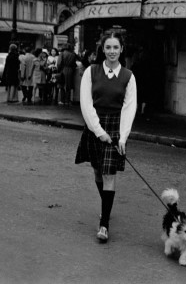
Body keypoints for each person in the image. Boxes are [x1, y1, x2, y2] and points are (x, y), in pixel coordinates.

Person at [75, 31, 137, 243]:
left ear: (121, 50)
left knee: (109, 174)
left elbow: (129, 108)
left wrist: (122, 138)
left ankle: (104, 224)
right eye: (108, 47)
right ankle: (106, 207)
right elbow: (86, 104)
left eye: (116, 48)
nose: (112, 51)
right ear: (103, 49)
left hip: (116, 127)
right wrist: (99, 132)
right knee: (97, 171)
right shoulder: (90, 72)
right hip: (95, 126)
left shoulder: (129, 76)